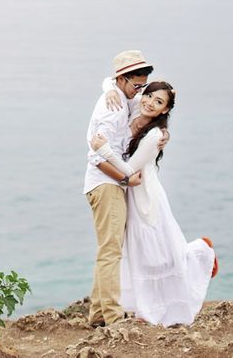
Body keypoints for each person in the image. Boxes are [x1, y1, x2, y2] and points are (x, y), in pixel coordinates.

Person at [91, 80, 217, 326]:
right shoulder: (140, 106)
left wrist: (105, 150)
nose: (149, 103)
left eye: (158, 102)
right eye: (148, 97)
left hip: (146, 196)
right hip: (131, 192)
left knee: (156, 254)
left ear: (165, 111)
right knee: (139, 252)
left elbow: (131, 168)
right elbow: (111, 79)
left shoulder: (155, 135)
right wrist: (108, 90)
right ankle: (144, 308)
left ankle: (202, 252)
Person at [83, 49, 155, 328]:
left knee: (108, 249)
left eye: (143, 86)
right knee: (111, 251)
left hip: (106, 185)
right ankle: (112, 317)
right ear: (123, 80)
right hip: (106, 185)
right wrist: (125, 179)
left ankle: (99, 314)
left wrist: (109, 85)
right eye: (136, 85)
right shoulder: (112, 111)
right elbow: (96, 155)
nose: (140, 92)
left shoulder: (123, 97)